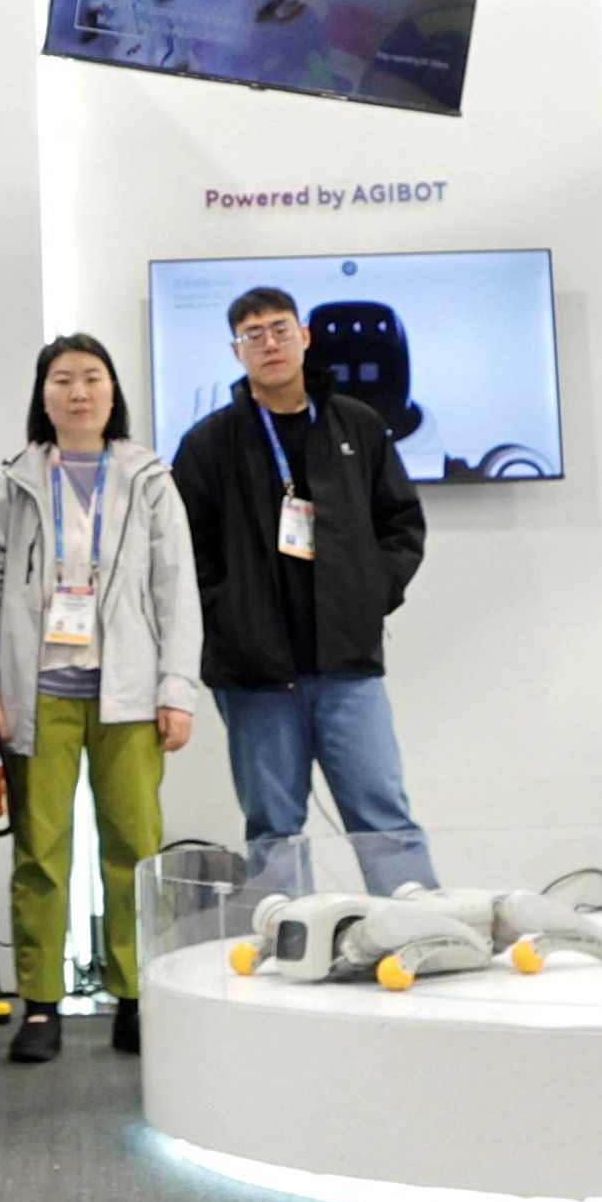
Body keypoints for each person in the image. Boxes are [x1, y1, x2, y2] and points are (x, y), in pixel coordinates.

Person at [0, 333, 202, 1065]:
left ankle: (135, 998)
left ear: (112, 392)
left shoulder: (150, 479)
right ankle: (40, 1004)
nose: (78, 392)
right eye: (63, 379)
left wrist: (177, 689)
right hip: (41, 694)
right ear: (43, 394)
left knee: (134, 851)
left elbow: (176, 591)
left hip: (128, 697)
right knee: (42, 854)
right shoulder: (13, 484)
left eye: (91, 379)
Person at [169, 283, 438, 898]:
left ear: (305, 337)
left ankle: (421, 938)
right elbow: (186, 554)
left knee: (383, 817)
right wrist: (227, 615)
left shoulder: (358, 425)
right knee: (273, 828)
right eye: (253, 334)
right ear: (237, 351)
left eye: (280, 329)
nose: (269, 344)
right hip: (255, 674)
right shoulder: (209, 443)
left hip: (348, 667)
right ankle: (288, 948)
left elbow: (402, 524)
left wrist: (371, 593)